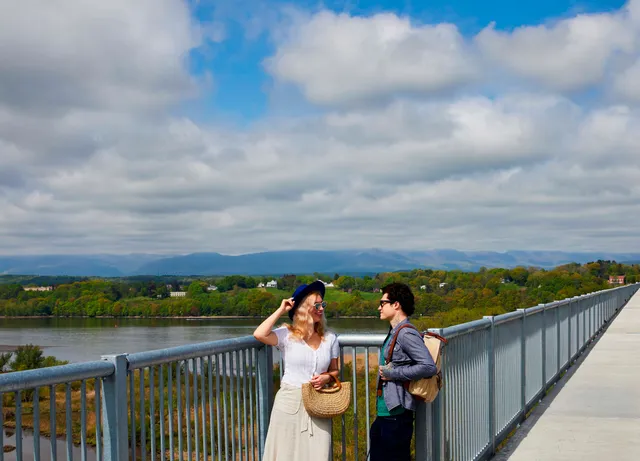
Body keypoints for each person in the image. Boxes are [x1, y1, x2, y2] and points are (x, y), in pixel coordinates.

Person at [253, 280, 340, 461]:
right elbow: (259, 334)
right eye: (316, 304)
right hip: (289, 402)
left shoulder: (330, 338)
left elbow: (335, 371)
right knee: (285, 454)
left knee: (319, 454)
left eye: (322, 304)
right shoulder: (286, 335)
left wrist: (326, 378)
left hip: (318, 404)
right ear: (303, 307)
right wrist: (281, 310)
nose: (321, 308)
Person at [370, 282, 437, 461]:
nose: (379, 307)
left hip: (397, 414)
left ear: (396, 304)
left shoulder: (406, 333)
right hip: (388, 412)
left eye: (382, 303)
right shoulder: (394, 331)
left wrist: (393, 374)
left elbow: (429, 366)